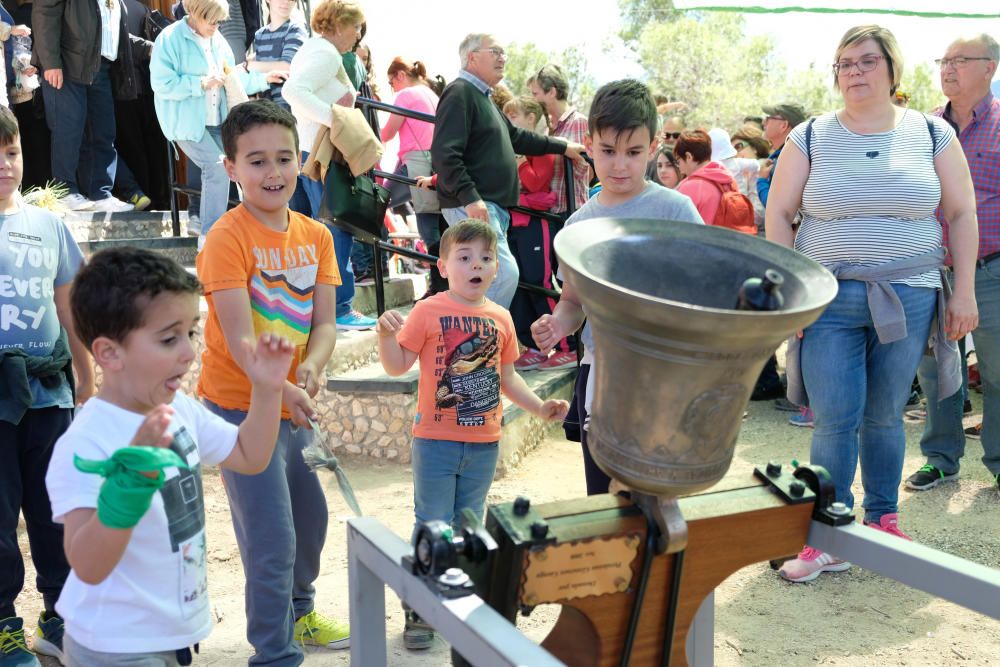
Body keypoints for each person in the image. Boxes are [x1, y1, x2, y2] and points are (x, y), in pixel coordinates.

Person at [766, 25, 979, 582]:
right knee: (835, 415)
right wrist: (792, 294)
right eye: (844, 64)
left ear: (892, 69)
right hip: (827, 297)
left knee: (885, 413)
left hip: (909, 294)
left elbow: (961, 213)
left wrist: (963, 291)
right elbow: (779, 214)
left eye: (866, 61)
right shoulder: (808, 136)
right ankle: (825, 533)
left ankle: (883, 518)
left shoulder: (933, 134)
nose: (855, 72)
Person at [44, 247, 295, 666]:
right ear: (109, 353)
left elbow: (249, 455)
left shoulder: (179, 408)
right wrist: (129, 485)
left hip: (170, 636)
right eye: (168, 338)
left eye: (191, 333)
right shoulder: (85, 443)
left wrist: (267, 390)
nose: (188, 352)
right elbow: (86, 564)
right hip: (116, 646)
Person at [196, 100, 347, 664]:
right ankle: (275, 652)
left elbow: (326, 323)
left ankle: (300, 613)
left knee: (311, 524)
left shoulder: (317, 235)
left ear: (300, 157)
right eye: (256, 161)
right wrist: (284, 387)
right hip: (238, 408)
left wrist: (311, 368)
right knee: (272, 540)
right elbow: (240, 344)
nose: (274, 172)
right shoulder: (225, 238)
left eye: (284, 158)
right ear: (231, 167)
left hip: (293, 402)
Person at [376, 219, 570, 650]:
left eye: (485, 257)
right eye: (464, 257)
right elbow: (396, 365)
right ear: (443, 265)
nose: (475, 264)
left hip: (484, 444)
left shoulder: (501, 318)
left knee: (470, 525)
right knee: (432, 525)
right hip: (435, 442)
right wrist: (386, 337)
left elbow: (508, 378)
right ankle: (421, 609)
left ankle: (461, 603)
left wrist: (539, 406)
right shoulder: (427, 310)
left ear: (497, 268)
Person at [531, 79, 703, 496]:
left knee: (658, 503)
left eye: (633, 152)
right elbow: (573, 303)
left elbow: (703, 286)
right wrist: (556, 324)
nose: (620, 165)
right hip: (602, 373)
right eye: (608, 151)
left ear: (654, 144)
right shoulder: (576, 227)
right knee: (605, 503)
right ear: (588, 143)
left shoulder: (675, 210)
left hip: (663, 376)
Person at [0, 104, 92, 667]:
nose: (4, 166)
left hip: (49, 394)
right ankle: (4, 624)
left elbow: (69, 305)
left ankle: (61, 615)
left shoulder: (48, 224)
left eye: (10, 154)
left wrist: (86, 375)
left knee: (56, 510)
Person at [905, 33, 1000, 495]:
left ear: (990, 67)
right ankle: (941, 459)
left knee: (999, 371)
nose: (947, 68)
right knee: (937, 370)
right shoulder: (923, 128)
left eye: (960, 60)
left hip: (991, 271)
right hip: (931, 270)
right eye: (943, 59)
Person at [431, 33, 586, 310]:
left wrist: (562, 146)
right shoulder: (460, 93)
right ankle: (478, 340)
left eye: (504, 52)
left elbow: (517, 137)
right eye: (496, 51)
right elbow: (445, 153)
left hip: (490, 206)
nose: (503, 57)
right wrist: (470, 197)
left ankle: (478, 342)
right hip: (475, 205)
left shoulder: (482, 98)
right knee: (503, 276)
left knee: (494, 277)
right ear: (472, 57)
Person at [282, 0, 377, 331]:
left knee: (317, 232)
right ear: (338, 25)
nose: (358, 35)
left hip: (310, 153)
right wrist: (336, 119)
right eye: (355, 27)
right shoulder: (325, 53)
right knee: (337, 230)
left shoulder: (313, 49)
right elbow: (293, 91)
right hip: (322, 156)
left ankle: (320, 307)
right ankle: (338, 308)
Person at [150, 0, 273, 247]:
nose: (217, 26)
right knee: (218, 166)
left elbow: (232, 79)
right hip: (185, 123)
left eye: (220, 21)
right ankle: (210, 237)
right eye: (212, 20)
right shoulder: (169, 39)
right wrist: (200, 83)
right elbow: (161, 84)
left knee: (243, 166)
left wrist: (264, 80)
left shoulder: (218, 40)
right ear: (195, 13)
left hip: (219, 120)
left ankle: (251, 231)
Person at [32, 0, 138, 212]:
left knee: (103, 132)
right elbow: (45, 13)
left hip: (101, 65)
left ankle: (100, 193)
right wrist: (51, 62)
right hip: (67, 65)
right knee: (67, 131)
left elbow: (111, 29)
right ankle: (65, 192)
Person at [502, 96, 577, 372]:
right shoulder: (507, 148)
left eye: (513, 117)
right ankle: (534, 345)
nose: (509, 124)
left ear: (530, 118)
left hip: (538, 225)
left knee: (540, 281)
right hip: (515, 224)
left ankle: (568, 346)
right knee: (519, 286)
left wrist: (520, 161)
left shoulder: (540, 146)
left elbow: (536, 182)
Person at [381, 57, 440, 253]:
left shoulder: (406, 94)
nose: (392, 89)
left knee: (379, 203)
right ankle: (440, 276)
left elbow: (388, 133)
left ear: (401, 75)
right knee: (432, 219)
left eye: (391, 83)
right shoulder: (431, 94)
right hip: (436, 161)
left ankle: (377, 260)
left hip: (417, 162)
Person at [529, 64, 589, 218]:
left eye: (535, 94)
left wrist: (556, 145)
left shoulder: (578, 122)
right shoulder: (544, 126)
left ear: (552, 92)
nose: (533, 100)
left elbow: (582, 168)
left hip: (570, 211)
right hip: (547, 211)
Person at [674, 129, 756, 234]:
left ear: (689, 157)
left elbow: (676, 229)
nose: (679, 167)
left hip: (699, 246)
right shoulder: (728, 179)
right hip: (728, 244)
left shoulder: (689, 187)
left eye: (678, 161)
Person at [247, 0, 305, 111]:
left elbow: (287, 67)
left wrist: (249, 65)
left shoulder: (295, 30)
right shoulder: (260, 35)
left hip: (288, 104)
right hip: (265, 106)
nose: (286, 2)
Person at [756, 101, 806, 208]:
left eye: (769, 118)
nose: (764, 123)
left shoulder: (791, 158)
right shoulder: (787, 153)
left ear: (784, 125)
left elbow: (775, 207)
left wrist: (762, 180)